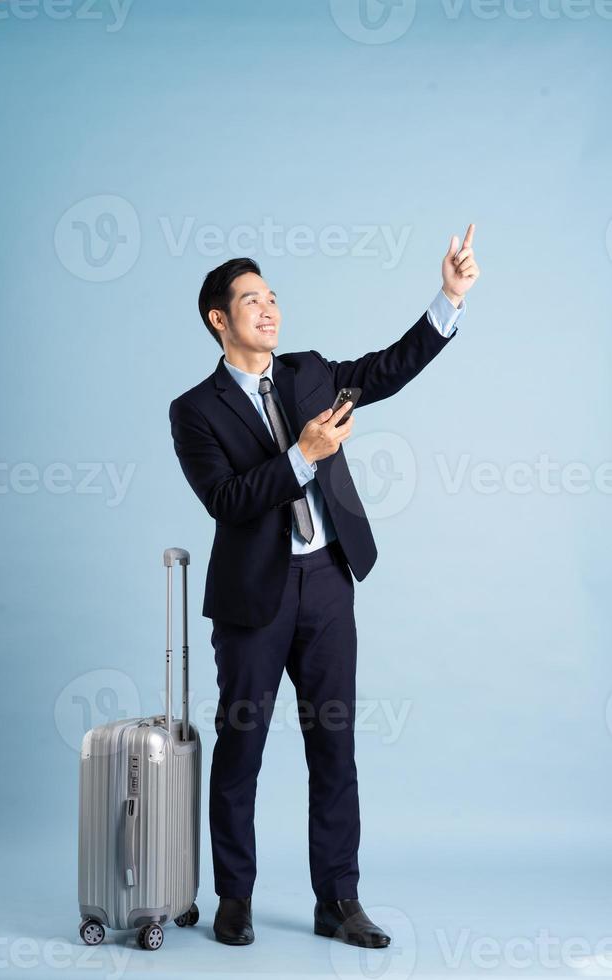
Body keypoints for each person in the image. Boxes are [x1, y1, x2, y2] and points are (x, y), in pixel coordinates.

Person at [168, 226, 480, 947]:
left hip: (330, 582)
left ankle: (338, 900)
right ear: (220, 318)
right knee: (240, 748)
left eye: (273, 297)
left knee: (334, 747)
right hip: (254, 599)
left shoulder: (309, 371)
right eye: (252, 300)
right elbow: (228, 499)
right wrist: (304, 457)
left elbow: (386, 369)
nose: (269, 309)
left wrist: (450, 297)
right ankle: (235, 900)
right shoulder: (194, 410)